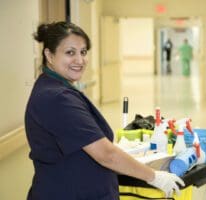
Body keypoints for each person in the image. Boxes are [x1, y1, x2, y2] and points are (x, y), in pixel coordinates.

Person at [25, 21, 184, 200]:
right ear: (49, 55)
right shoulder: (57, 98)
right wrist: (154, 177)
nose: (80, 60)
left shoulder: (53, 86)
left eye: (83, 52)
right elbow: (106, 154)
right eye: (70, 53)